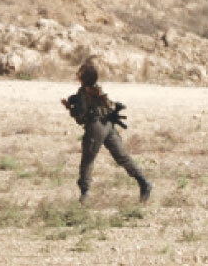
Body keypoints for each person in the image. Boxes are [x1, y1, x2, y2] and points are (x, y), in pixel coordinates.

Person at [61, 61, 152, 204]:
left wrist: (69, 108)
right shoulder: (98, 89)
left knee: (88, 160)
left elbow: (81, 117)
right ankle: (143, 182)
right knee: (122, 157)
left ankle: (84, 194)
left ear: (83, 78)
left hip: (95, 127)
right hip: (109, 125)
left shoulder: (83, 93)